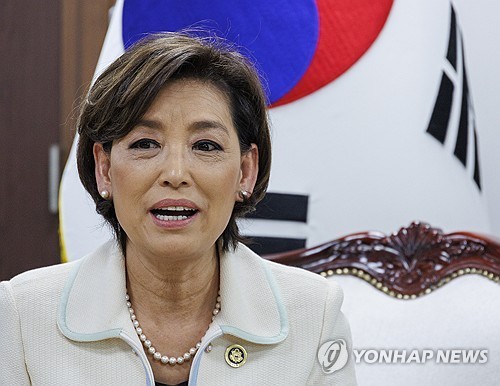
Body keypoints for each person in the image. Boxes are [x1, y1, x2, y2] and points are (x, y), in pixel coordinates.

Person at [0, 32, 357, 385]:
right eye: (145, 143)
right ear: (104, 169)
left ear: (245, 172)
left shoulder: (315, 315)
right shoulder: (22, 316)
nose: (175, 174)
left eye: (205, 145)